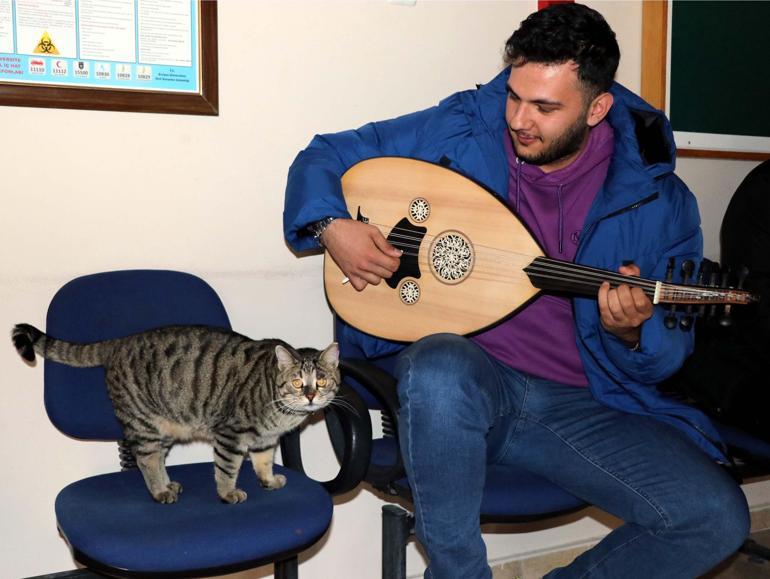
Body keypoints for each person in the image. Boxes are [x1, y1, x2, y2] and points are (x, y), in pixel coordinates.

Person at [283, 4, 749, 577]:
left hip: (585, 403)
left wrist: (629, 334)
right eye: (515, 94)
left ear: (598, 108)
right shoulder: (466, 126)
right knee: (438, 365)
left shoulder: (660, 201)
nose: (519, 119)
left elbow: (663, 360)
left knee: (716, 517)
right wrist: (333, 227)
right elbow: (324, 155)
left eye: (546, 107)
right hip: (466, 386)